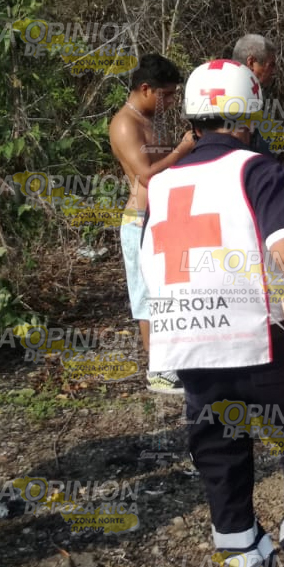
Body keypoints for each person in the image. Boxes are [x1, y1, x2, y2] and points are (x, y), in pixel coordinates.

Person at [139, 59, 284, 567]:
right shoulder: (258, 170)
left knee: (222, 465)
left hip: (191, 351)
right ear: (247, 114)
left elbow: (149, 270)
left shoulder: (161, 185)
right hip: (260, 343)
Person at [109, 53, 196, 394]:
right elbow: (146, 175)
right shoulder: (125, 123)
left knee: (167, 291)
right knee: (146, 296)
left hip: (161, 218)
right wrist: (184, 149)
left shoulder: (147, 119)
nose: (171, 102)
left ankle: (173, 361)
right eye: (167, 95)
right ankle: (157, 370)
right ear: (145, 89)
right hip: (138, 220)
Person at [230, 34, 277, 157]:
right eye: (270, 65)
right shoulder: (235, 98)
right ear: (251, 63)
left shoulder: (255, 94)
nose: (274, 71)